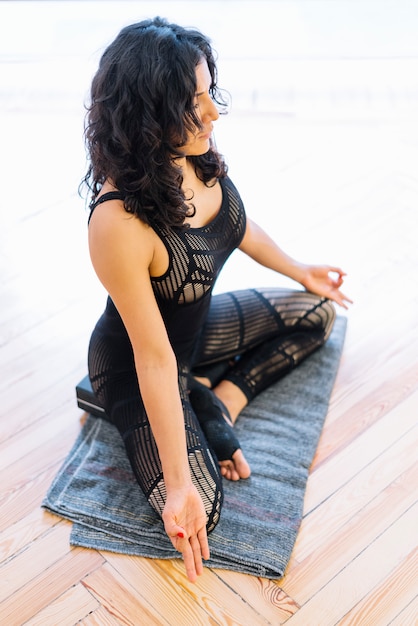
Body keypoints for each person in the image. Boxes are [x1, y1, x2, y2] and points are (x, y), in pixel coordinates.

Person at [82, 17, 351, 583]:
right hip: (137, 368)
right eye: (192, 102)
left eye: (208, 93)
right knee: (202, 506)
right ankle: (146, 404)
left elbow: (238, 224)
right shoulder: (117, 222)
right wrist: (178, 486)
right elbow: (153, 357)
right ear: (147, 115)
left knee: (317, 314)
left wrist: (301, 270)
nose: (213, 113)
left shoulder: (194, 150)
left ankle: (218, 399)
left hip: (195, 338)